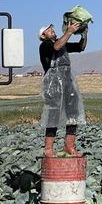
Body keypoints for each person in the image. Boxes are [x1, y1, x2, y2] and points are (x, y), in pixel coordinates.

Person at [39, 18, 88, 156]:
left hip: (68, 81)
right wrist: (69, 31)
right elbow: (57, 47)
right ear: (43, 36)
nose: (51, 30)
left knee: (73, 113)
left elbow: (80, 47)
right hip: (54, 84)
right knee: (53, 114)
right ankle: (48, 149)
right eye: (48, 30)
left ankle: (69, 146)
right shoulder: (46, 45)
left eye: (51, 28)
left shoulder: (62, 43)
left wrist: (84, 34)